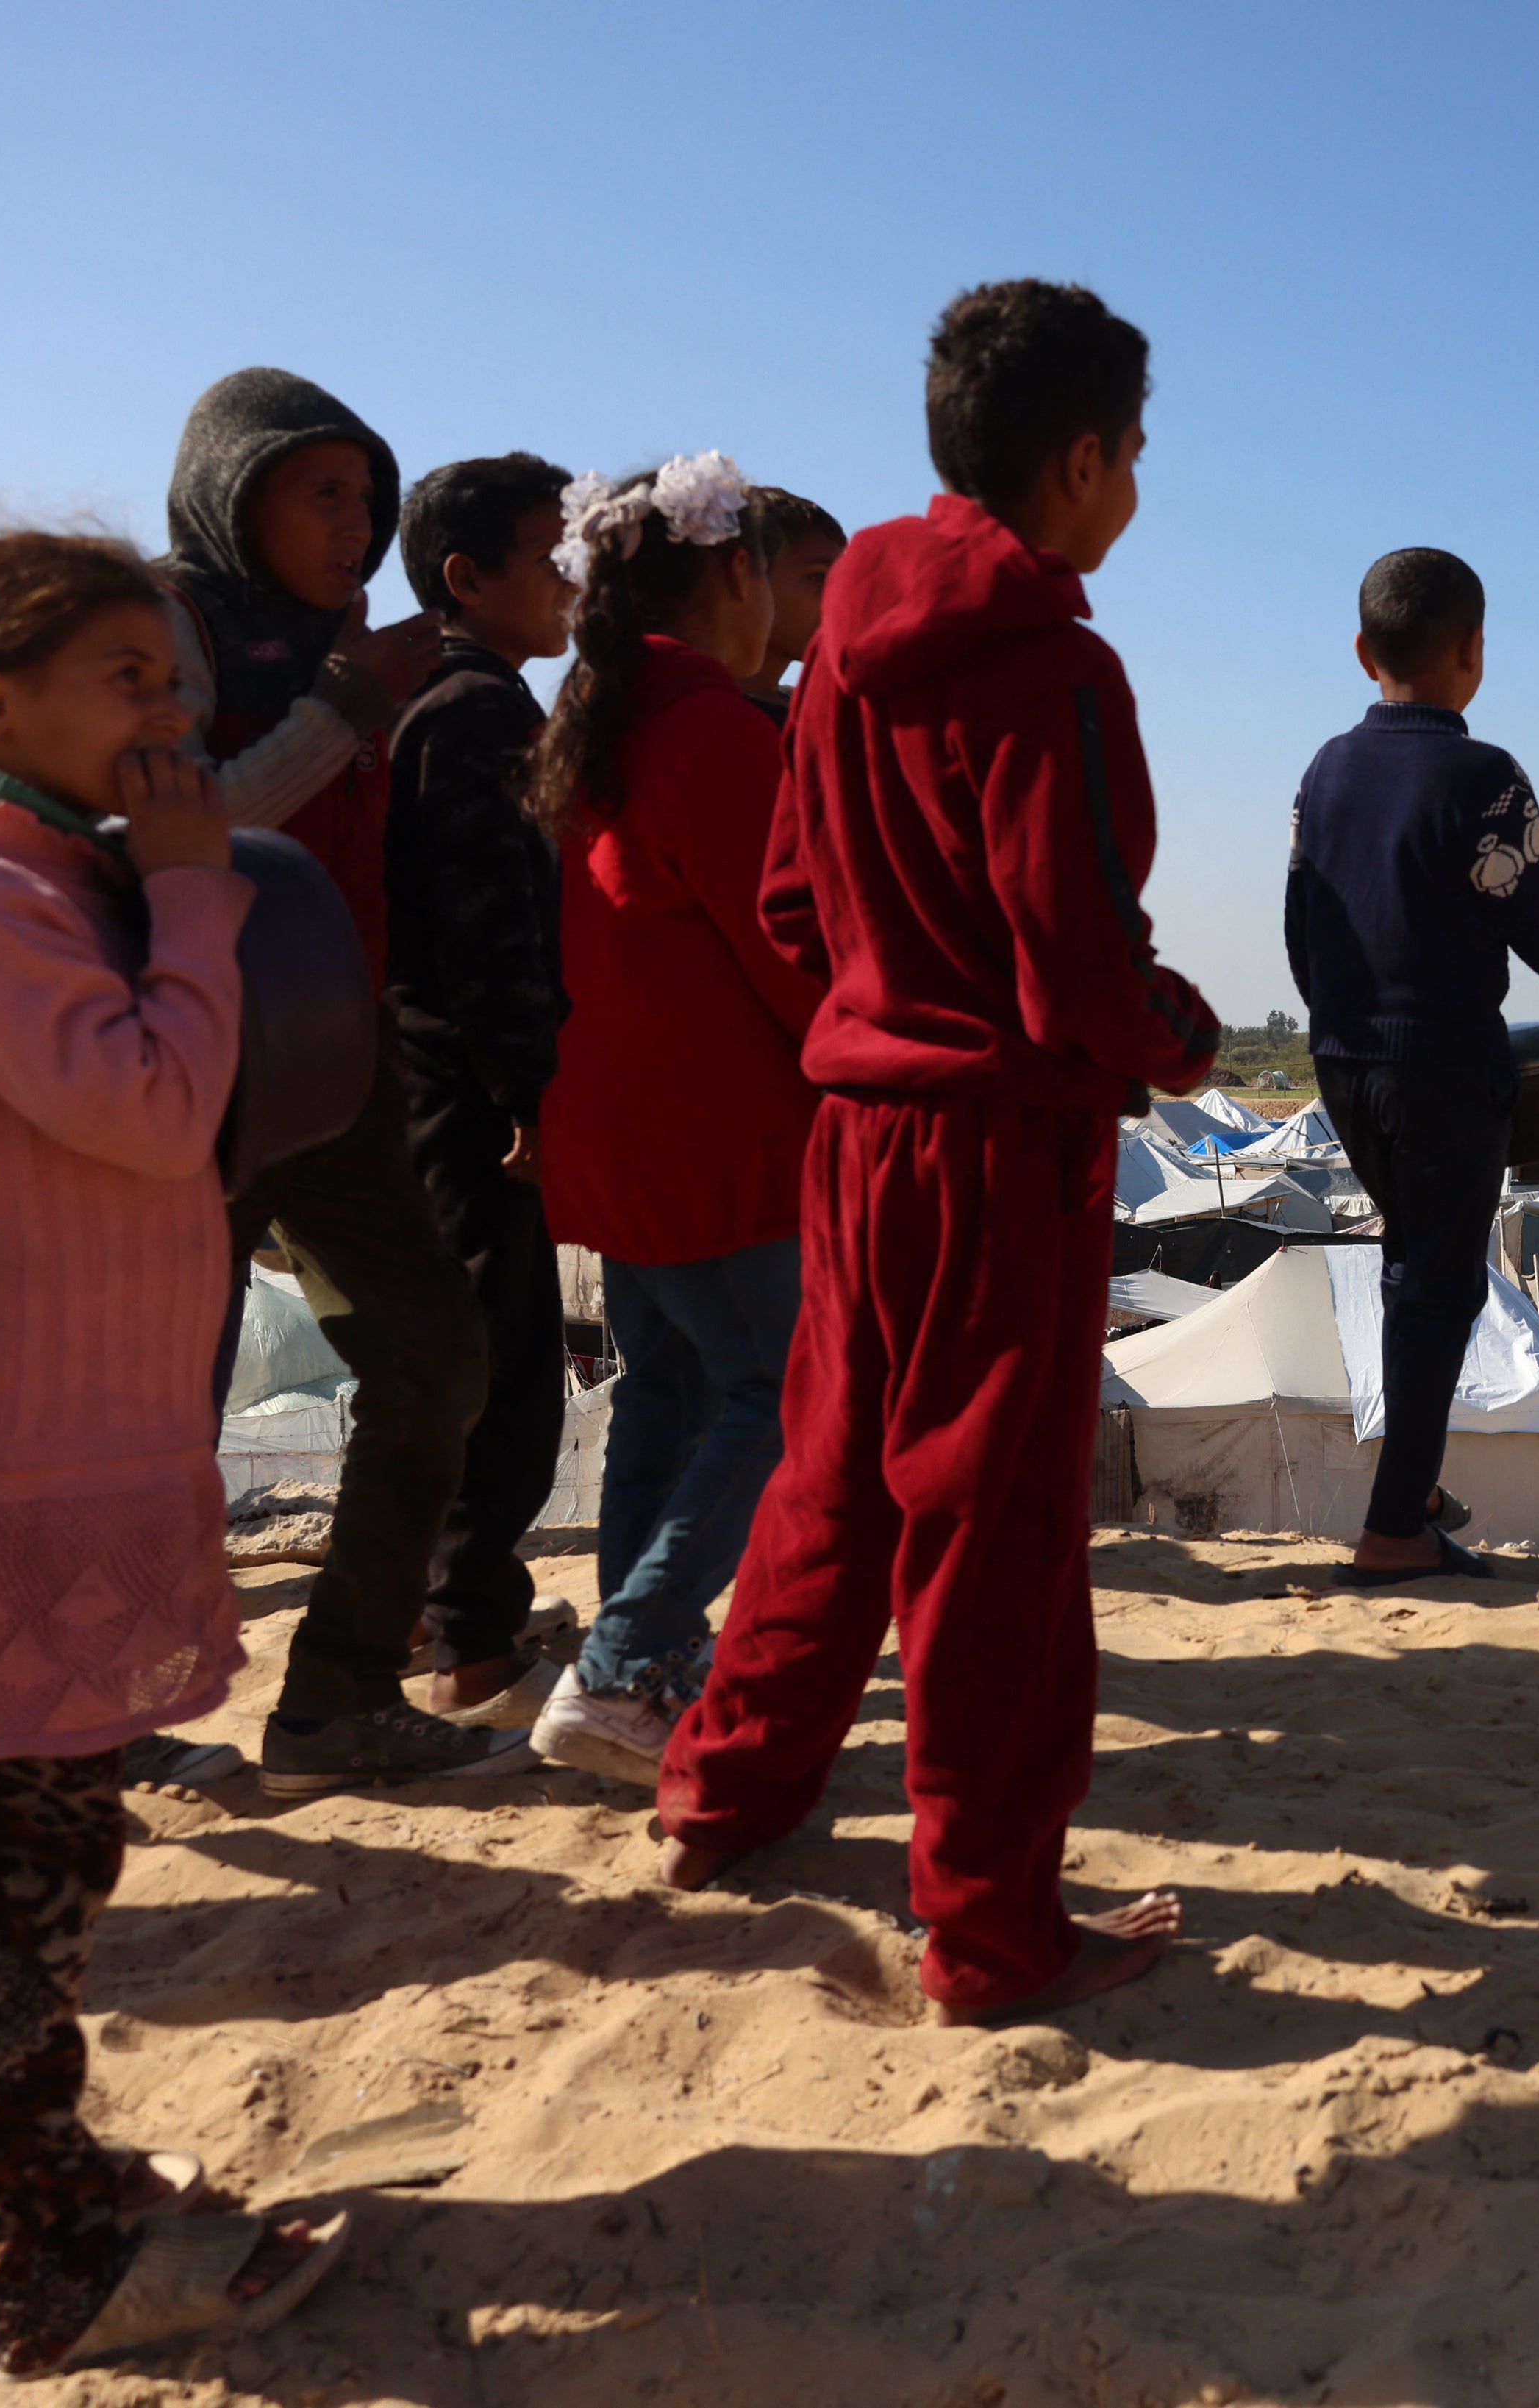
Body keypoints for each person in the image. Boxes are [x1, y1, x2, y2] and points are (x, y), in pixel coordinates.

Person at [657, 280, 1210, 2020]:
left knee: (827, 1474)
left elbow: (789, 899)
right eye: (1132, 451)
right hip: (999, 1152)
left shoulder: (830, 665)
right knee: (996, 1532)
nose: (1136, 482)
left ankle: (721, 1794)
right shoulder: (1054, 669)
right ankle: (987, 1922)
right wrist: (1175, 1031)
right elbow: (1073, 961)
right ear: (1081, 457)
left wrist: (891, 994)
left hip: (860, 1128)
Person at [0, 531, 347, 2368]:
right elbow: (153, 1106)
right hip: (10, 1475)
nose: (176, 716)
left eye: (181, 684)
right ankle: (46, 2254)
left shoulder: (30, 878)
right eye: (130, 679)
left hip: (54, 1454)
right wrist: (201, 896)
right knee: (9, 1881)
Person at [158, 367, 527, 1794]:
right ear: (230, 491)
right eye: (321, 491)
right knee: (157, 1414)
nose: (353, 521)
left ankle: (336, 1702)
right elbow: (179, 824)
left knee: (440, 1357)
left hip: (339, 1071)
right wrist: (338, 705)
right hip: (186, 1078)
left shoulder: (351, 649)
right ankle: (89, 1722)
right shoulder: (168, 629)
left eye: (367, 496)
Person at [1283, 546, 1539, 1584]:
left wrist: (1340, 1027)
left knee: (1414, 1268)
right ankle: (1397, 1524)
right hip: (1443, 1068)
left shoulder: (1325, 770)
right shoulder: (1481, 775)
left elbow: (1300, 922)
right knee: (1440, 1286)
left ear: (1364, 652)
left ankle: (1411, 1492)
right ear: (1475, 652)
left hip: (1344, 1065)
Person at [521, 456, 815, 1788]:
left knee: (670, 1390)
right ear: (735, 574)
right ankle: (626, 1659)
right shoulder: (711, 732)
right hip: (712, 1133)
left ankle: (647, 1662)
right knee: (784, 1390)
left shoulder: (604, 723)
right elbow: (791, 947)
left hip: (619, 1128)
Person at [385, 452, 579, 1730]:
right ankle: (467, 1649)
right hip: (471, 1096)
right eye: (547, 550)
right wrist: (527, 1095)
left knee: (489, 1360)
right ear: (467, 576)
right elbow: (484, 941)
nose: (572, 576)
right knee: (499, 1371)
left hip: (456, 1089)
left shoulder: (479, 707)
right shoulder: (473, 719)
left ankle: (456, 1612)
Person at [738, 486, 846, 721]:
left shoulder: (816, 716)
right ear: (744, 577)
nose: (839, 597)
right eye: (818, 577)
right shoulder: (705, 714)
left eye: (842, 580)